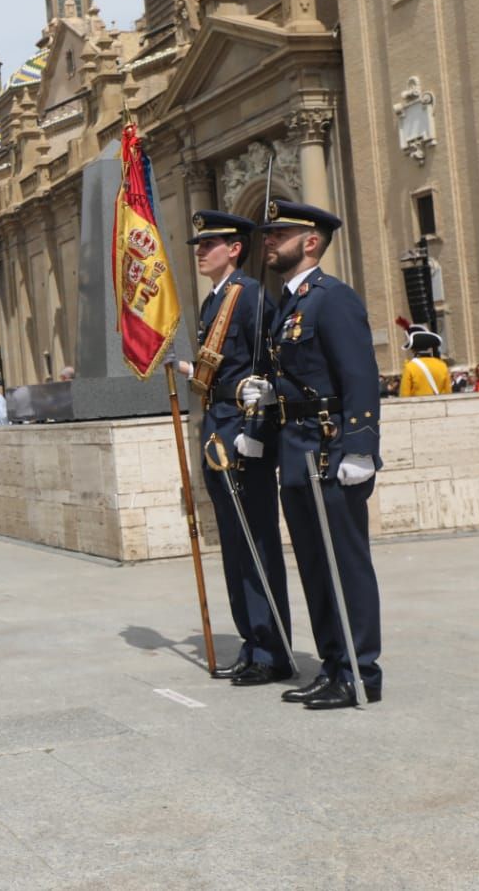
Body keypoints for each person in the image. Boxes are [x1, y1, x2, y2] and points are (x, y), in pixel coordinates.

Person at [240, 200, 382, 710]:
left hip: (330, 449)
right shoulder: (291, 305)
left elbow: (359, 376)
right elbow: (301, 376)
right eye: (268, 235)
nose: (269, 243)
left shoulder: (332, 298)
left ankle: (360, 671)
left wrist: (361, 446)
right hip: (297, 450)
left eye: (279, 234)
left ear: (311, 242)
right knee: (315, 568)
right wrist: (269, 393)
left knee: (345, 565)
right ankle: (332, 665)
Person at [173, 210, 292, 686]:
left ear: (235, 249)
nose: (201, 252)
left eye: (210, 244)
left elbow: (265, 369)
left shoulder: (250, 298)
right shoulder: (212, 304)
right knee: (233, 542)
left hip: (240, 430)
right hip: (216, 425)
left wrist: (256, 430)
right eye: (199, 245)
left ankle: (273, 648)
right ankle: (252, 638)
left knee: (256, 540)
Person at [397, 323, 449, 397]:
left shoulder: (410, 367)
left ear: (413, 350)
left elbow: (404, 395)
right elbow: (448, 392)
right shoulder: (442, 365)